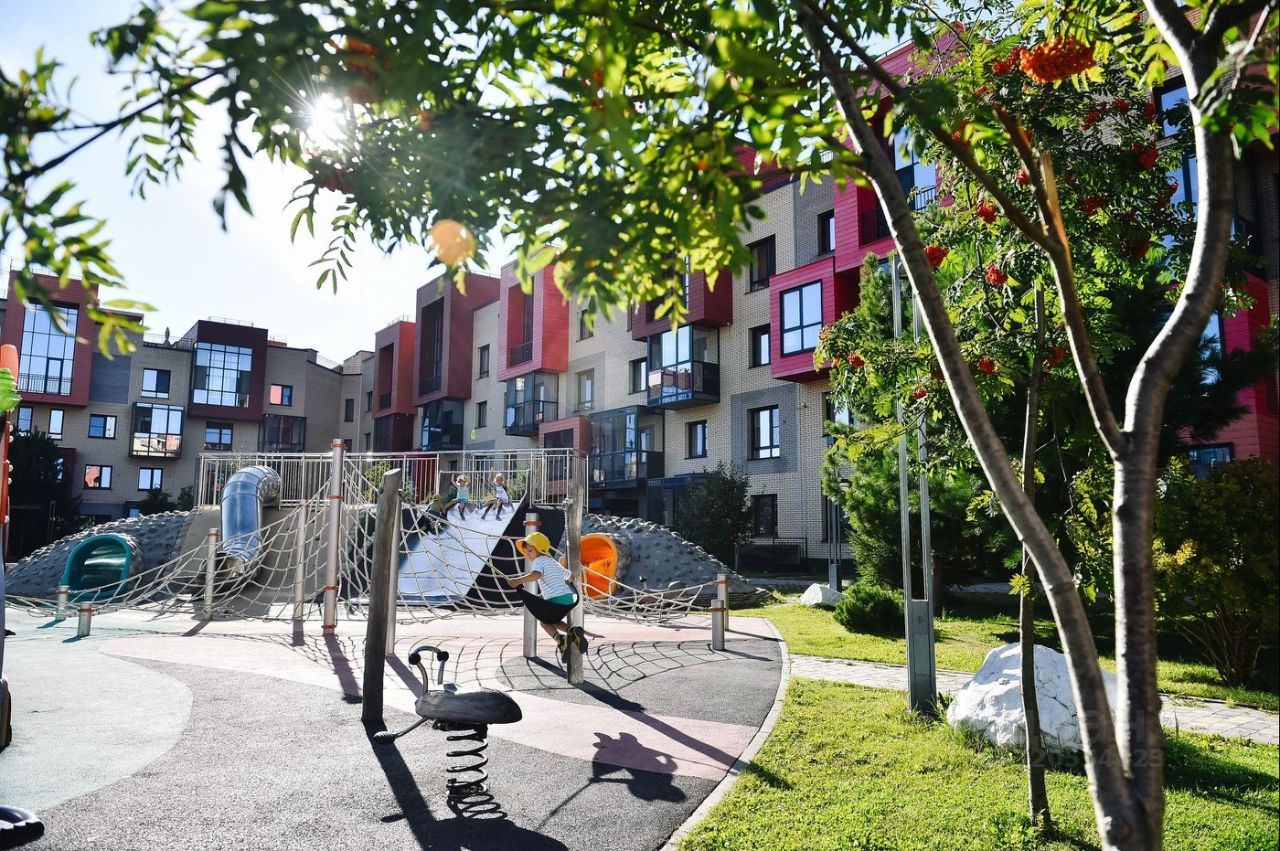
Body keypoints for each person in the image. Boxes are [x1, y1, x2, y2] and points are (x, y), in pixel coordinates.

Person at [506, 531, 587, 663]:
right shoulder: (553, 562)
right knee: (553, 621)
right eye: (526, 551)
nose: (528, 555)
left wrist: (518, 581)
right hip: (569, 599)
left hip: (555, 600)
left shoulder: (538, 561)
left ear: (539, 549)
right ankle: (573, 632)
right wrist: (567, 583)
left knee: (544, 622)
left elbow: (536, 575)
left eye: (530, 550)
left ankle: (562, 641)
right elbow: (570, 575)